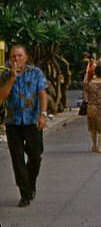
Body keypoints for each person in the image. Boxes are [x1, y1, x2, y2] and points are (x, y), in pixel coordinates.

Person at [0, 45, 48, 207]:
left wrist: (43, 113)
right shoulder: (5, 75)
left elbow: (42, 93)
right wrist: (12, 78)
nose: (16, 59)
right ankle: (25, 194)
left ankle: (29, 182)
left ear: (26, 57)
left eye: (19, 56)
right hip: (14, 122)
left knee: (35, 155)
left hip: (32, 121)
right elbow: (2, 96)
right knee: (17, 159)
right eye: (13, 56)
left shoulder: (36, 73)